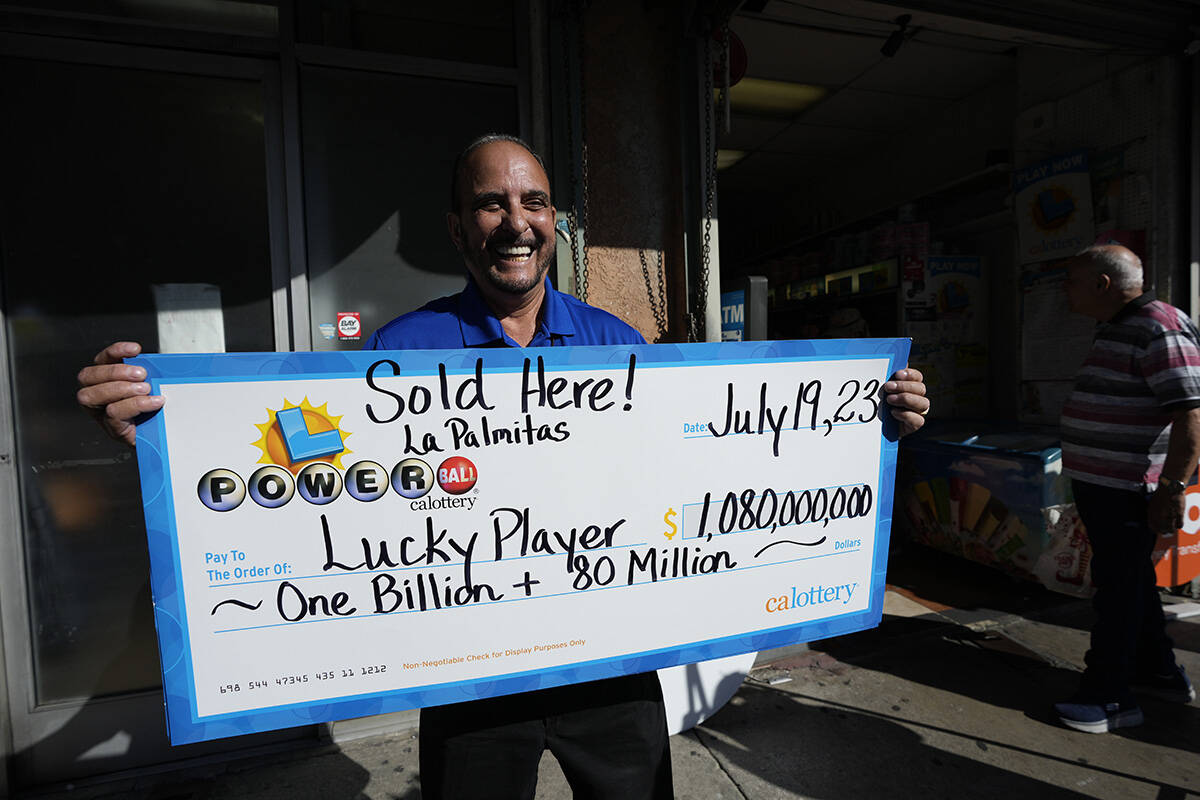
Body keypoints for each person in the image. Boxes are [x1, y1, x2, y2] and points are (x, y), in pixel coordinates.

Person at [77, 133, 931, 797]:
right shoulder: (401, 351)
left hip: (613, 663)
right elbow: (330, 485)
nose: (516, 223)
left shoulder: (617, 344)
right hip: (470, 671)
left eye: (534, 203)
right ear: (458, 227)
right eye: (491, 205)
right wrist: (172, 440)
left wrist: (873, 420)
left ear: (555, 222)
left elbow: (724, 464)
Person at [1055, 244, 1200, 734]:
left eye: (1072, 280)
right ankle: (1159, 673)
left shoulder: (1160, 327)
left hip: (1131, 488)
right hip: (1105, 485)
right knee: (1132, 581)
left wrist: (1174, 488)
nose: (1065, 291)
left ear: (1102, 284)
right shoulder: (1119, 326)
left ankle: (1110, 697)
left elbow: (1191, 415)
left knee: (1116, 591)